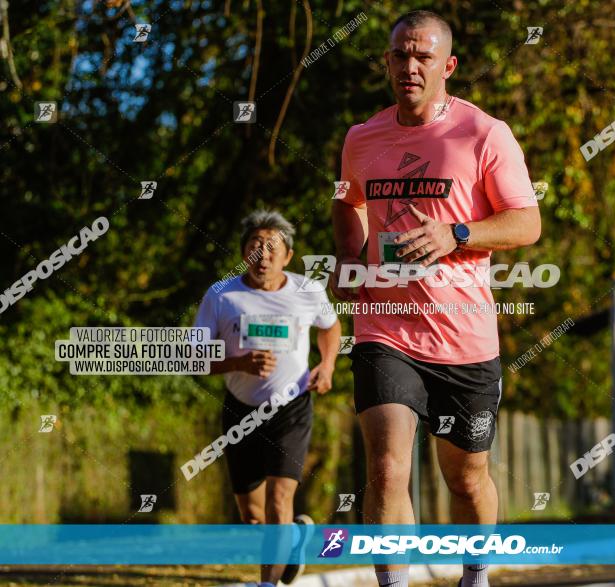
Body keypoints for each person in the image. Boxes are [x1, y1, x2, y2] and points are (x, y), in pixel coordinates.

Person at [331, 10, 541, 587]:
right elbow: (346, 202)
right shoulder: (362, 138)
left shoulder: (484, 134)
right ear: (387, 62)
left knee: (467, 477)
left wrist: (458, 234)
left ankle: (475, 577)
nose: (410, 66)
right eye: (400, 55)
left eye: (423, 56)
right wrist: (350, 260)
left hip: (464, 335)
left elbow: (527, 223)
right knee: (386, 467)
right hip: (385, 328)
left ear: (447, 65)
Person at [195, 210, 341, 585]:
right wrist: (237, 361)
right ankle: (294, 539)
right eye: (255, 246)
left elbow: (330, 326)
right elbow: (195, 360)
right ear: (243, 252)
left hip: (291, 408)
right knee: (254, 516)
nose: (263, 255)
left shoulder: (307, 291)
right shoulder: (221, 295)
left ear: (288, 256)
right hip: (240, 411)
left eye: (272, 247)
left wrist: (327, 365)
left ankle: (267, 582)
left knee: (279, 502)